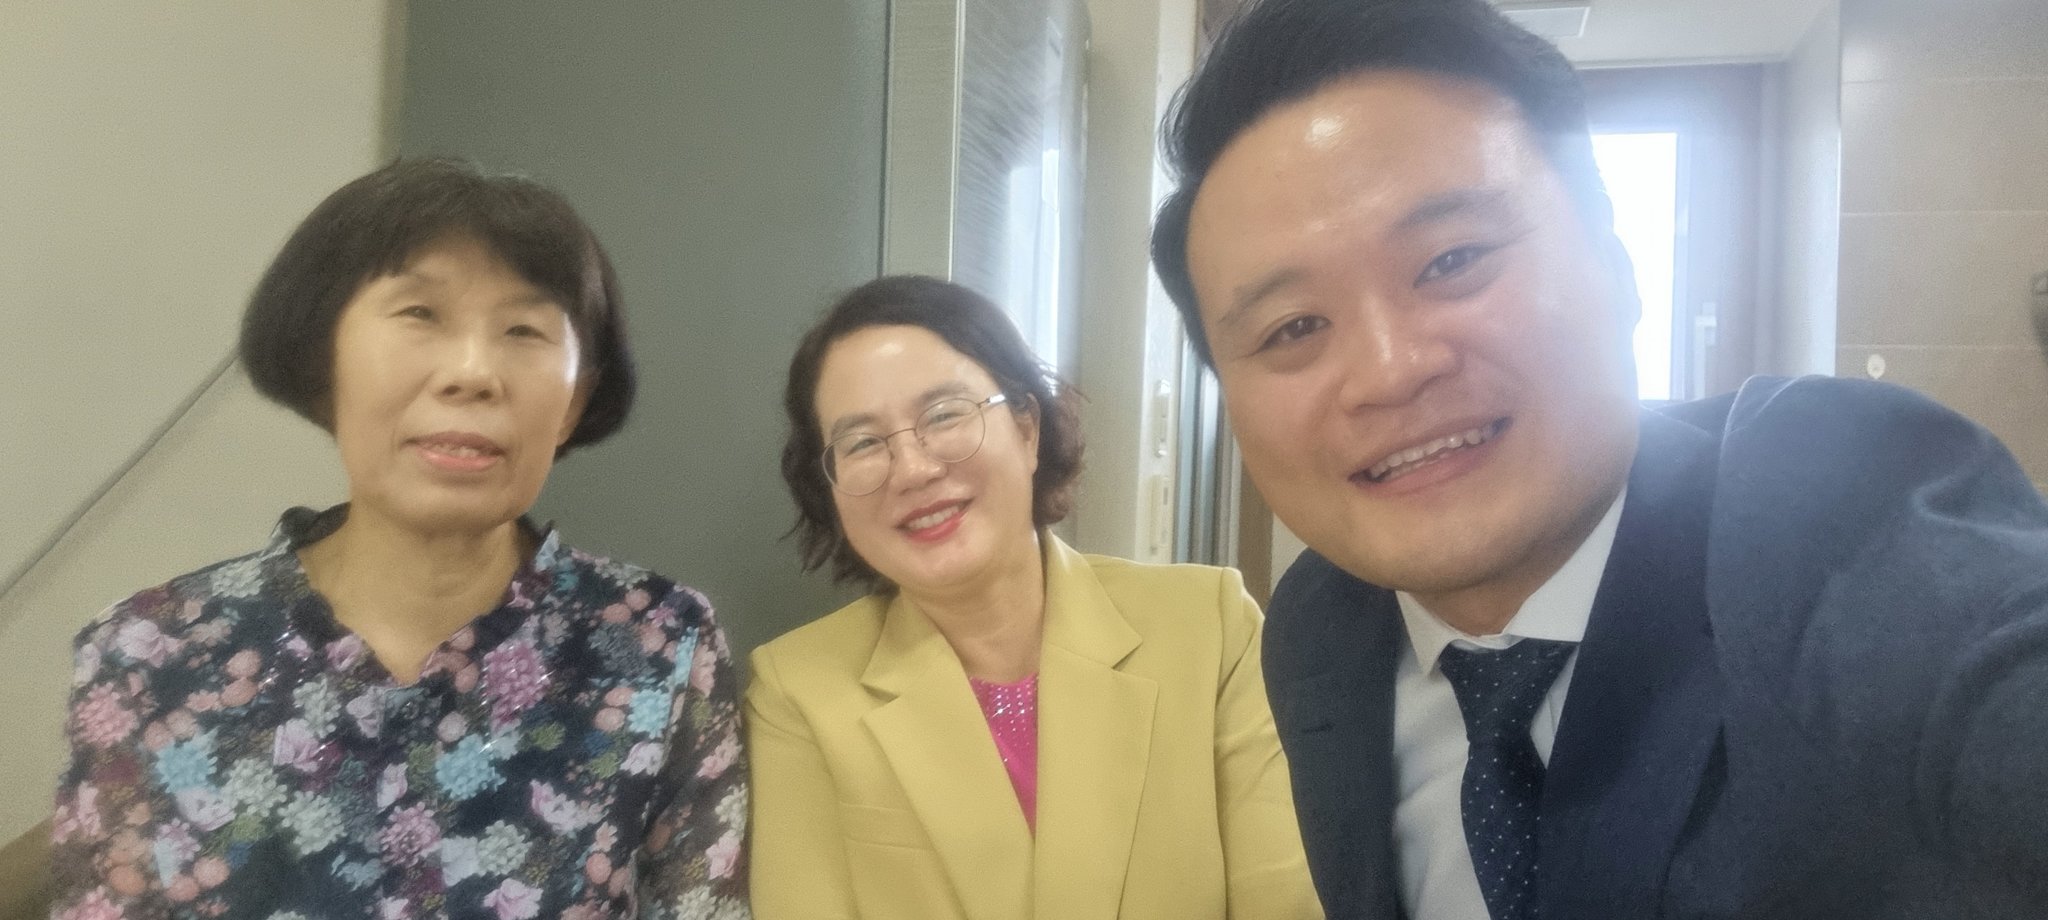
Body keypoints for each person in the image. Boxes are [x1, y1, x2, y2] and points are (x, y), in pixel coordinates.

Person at [1149, 0, 2048, 917]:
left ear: (1617, 269)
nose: (1389, 371)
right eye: (1294, 327)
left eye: (1452, 260)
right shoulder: (1320, 628)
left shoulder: (1836, 513)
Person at [47, 158, 750, 920]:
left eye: (523, 329)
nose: (473, 373)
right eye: (420, 314)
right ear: (323, 362)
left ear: (576, 400)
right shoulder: (149, 654)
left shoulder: (661, 643)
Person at [745, 275, 1320, 920]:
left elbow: (1285, 904)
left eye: (945, 415)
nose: (913, 469)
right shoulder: (797, 690)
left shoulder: (1207, 626)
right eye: (863, 443)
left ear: (1026, 428)